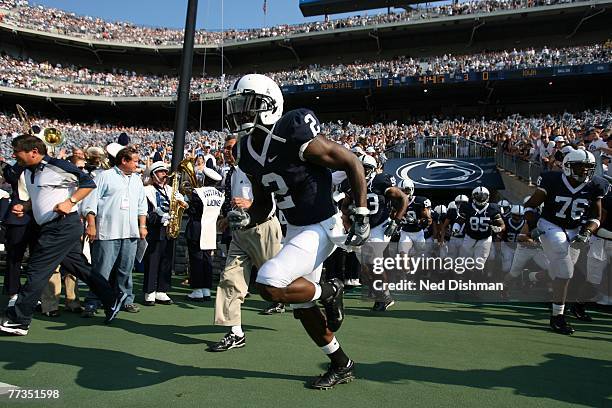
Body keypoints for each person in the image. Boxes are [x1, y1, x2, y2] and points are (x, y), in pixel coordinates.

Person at [224, 74, 369, 389]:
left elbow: (352, 162)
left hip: (321, 225)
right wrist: (246, 218)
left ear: (270, 105)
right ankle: (342, 364)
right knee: (302, 306)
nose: (241, 114)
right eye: (237, 106)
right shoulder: (246, 150)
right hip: (295, 229)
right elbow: (264, 204)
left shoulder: (292, 128)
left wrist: (360, 211)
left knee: (269, 283)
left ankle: (331, 291)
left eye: (248, 106)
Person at [0, 135, 123, 336]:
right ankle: (111, 299)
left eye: (17, 151)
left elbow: (88, 183)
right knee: (79, 267)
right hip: (52, 227)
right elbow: (42, 198)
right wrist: (26, 206)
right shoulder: (28, 172)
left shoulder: (56, 166)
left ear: (33, 152)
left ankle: (19, 320)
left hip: (62, 226)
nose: (14, 155)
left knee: (37, 269)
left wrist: (71, 202)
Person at [209, 134, 283, 352]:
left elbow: (278, 196)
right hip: (240, 232)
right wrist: (226, 218)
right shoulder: (232, 173)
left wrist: (252, 203)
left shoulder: (259, 167)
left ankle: (323, 293)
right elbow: (236, 201)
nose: (227, 152)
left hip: (263, 229)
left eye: (231, 148)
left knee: (279, 283)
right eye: (224, 149)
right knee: (229, 279)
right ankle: (235, 332)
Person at [523, 149, 609, 334]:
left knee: (559, 272)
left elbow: (596, 216)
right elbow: (530, 206)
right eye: (580, 167)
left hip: (576, 229)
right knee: (566, 272)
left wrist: (586, 232)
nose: (584, 172)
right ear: (568, 166)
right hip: (551, 226)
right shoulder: (551, 179)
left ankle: (531, 278)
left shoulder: (596, 184)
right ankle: (557, 317)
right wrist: (532, 226)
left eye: (588, 168)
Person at [82, 146, 148, 316]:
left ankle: (126, 300)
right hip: (107, 232)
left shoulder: (137, 180)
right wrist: (91, 225)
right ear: (124, 161)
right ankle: (93, 301)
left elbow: (142, 205)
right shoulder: (104, 176)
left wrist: (142, 226)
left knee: (125, 270)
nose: (137, 164)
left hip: (131, 232)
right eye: (134, 161)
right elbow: (90, 202)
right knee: (101, 270)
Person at [142, 161, 188, 306]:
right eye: (161, 172)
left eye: (164, 172)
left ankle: (162, 290)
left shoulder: (170, 189)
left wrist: (183, 203)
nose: (164, 174)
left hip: (170, 227)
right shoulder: (147, 190)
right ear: (153, 175)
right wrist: (160, 217)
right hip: (155, 227)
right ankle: (149, 291)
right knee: (153, 260)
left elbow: (182, 202)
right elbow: (146, 211)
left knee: (167, 259)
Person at [185, 167, 223, 301]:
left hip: (197, 228)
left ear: (205, 179)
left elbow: (192, 211)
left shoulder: (198, 192)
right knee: (207, 260)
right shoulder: (220, 195)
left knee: (196, 259)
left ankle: (197, 290)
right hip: (211, 229)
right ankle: (206, 289)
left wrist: (185, 202)